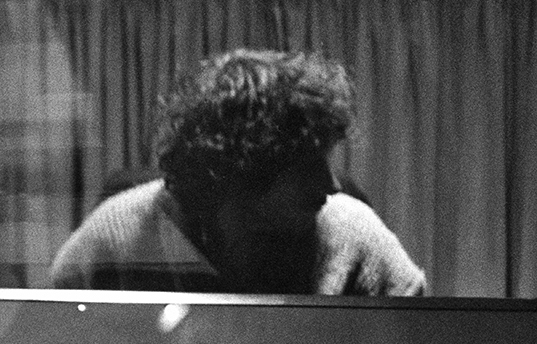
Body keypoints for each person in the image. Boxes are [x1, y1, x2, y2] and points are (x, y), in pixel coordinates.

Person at [50, 49, 426, 295]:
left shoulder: (357, 239)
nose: (330, 185)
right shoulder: (109, 245)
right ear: (239, 176)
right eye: (305, 166)